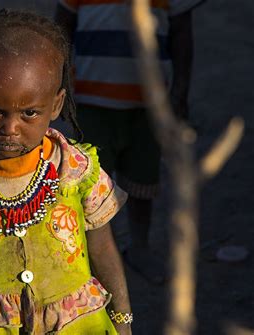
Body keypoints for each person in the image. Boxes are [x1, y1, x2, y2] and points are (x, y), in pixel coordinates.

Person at [0, 9, 132, 335]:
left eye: (29, 113)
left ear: (56, 105)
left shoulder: (76, 171)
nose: (10, 128)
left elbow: (103, 248)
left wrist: (122, 318)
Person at [55, 0, 203, 284]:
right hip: (90, 101)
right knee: (86, 182)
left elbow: (182, 31)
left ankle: (139, 247)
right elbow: (62, 27)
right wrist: (58, 85)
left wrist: (180, 93)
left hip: (150, 103)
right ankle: (82, 253)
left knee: (142, 178)